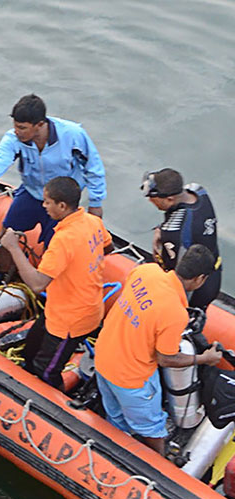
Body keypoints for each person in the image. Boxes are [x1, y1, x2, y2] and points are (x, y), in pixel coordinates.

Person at [93, 244, 222, 455]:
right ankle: (159, 464)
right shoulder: (175, 313)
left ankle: (114, 448)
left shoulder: (146, 270)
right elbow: (166, 359)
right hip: (130, 379)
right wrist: (203, 358)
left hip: (104, 359)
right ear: (200, 279)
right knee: (152, 429)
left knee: (115, 417)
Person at [0, 94, 106, 248]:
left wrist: (95, 203)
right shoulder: (13, 139)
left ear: (39, 124)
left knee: (55, 247)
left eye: (22, 128)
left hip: (61, 200)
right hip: (32, 191)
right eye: (15, 126)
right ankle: (4, 272)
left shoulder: (72, 135)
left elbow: (93, 167)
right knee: (5, 235)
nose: (17, 131)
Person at [0, 177, 112, 388]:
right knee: (30, 350)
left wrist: (13, 248)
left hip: (72, 320)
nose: (43, 206)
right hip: (62, 307)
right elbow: (108, 247)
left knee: (47, 371)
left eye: (47, 202)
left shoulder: (64, 240)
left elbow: (37, 284)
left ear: (61, 206)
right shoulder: (92, 222)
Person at [143, 167, 222, 309]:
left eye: (152, 197)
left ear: (169, 199)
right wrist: (161, 228)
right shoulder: (196, 190)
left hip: (194, 289)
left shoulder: (173, 234)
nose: (150, 200)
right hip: (213, 271)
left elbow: (173, 274)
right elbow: (186, 221)